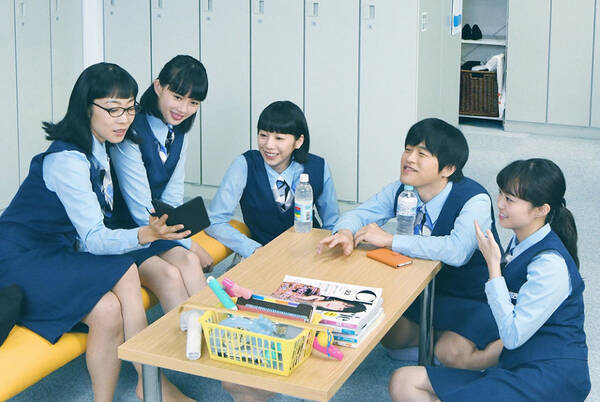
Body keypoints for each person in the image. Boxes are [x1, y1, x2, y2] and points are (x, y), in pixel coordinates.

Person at [0, 63, 192, 401]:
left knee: (107, 310)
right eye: (113, 109)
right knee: (126, 270)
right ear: (86, 107)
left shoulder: (101, 146)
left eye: (130, 108)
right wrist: (144, 235)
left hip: (56, 253)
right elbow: (93, 238)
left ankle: (121, 393)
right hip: (18, 260)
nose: (124, 119)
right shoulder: (66, 160)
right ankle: (151, 383)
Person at [389, 158, 590, 401]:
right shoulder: (521, 242)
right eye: (501, 194)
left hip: (548, 379)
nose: (500, 204)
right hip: (515, 367)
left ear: (541, 210)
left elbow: (512, 336)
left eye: (510, 200)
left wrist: (494, 266)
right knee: (403, 381)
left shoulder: (549, 264)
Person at [318, 118, 502, 370]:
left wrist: (390, 240)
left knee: (453, 355)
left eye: (422, 154)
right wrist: (345, 231)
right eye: (408, 149)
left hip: (469, 295)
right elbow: (360, 213)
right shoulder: (403, 188)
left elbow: (457, 251)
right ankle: (438, 340)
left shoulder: (475, 199)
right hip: (421, 289)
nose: (409, 159)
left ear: (448, 168)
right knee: (387, 334)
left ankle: (500, 344)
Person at [110, 55, 211, 311]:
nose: (183, 109)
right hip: (125, 232)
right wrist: (190, 242)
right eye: (177, 97)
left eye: (193, 102)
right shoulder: (131, 129)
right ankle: (182, 337)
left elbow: (173, 197)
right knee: (170, 275)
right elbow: (139, 210)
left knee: (189, 261)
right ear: (158, 87)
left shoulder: (179, 130)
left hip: (158, 226)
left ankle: (213, 332)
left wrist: (185, 242)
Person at [206, 100, 339, 258]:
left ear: (298, 141)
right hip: (262, 253)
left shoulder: (318, 166)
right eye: (263, 135)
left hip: (308, 252)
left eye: (279, 138)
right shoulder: (245, 165)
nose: (268, 145)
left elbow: (332, 223)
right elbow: (214, 220)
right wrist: (252, 249)